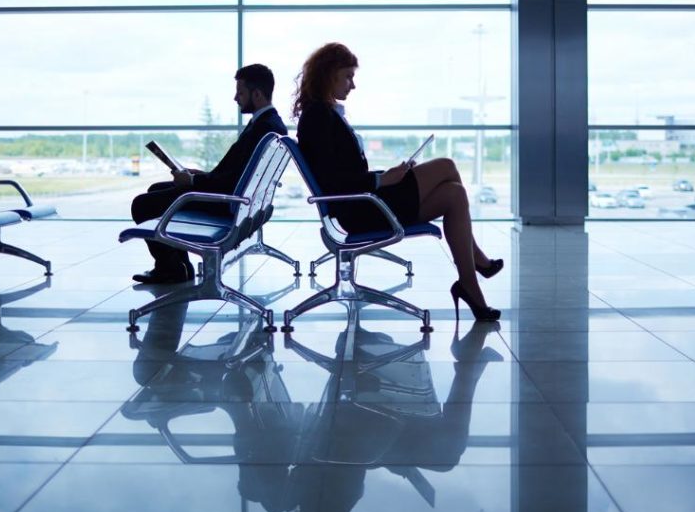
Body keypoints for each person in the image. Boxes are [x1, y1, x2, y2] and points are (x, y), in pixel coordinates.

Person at [293, 42, 501, 321]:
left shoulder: (324, 113)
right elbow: (333, 182)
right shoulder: (317, 116)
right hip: (360, 209)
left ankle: (470, 284)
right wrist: (381, 181)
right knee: (447, 166)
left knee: (454, 194)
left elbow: (343, 171)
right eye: (348, 76)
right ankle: (478, 262)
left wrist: (387, 176)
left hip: (367, 202)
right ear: (329, 74)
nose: (352, 85)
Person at [130, 64, 287, 284]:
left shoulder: (263, 128)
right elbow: (238, 173)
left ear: (257, 94)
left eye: (240, 92)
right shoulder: (268, 125)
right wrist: (199, 175)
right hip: (236, 199)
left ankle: (171, 268)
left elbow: (232, 181)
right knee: (156, 190)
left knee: (142, 204)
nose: (235, 98)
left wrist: (194, 181)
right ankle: (177, 266)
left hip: (226, 203)